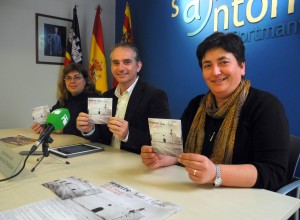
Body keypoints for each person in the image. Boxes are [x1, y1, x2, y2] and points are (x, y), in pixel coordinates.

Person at [141, 32, 290, 191]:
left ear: (242, 66)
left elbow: (273, 173)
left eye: (223, 62)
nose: (215, 72)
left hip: (246, 202)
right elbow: (181, 152)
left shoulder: (265, 106)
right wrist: (162, 158)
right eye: (207, 65)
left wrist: (216, 173)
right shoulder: (196, 105)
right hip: (197, 193)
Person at [76, 42, 170, 154]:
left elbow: (162, 143)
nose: (121, 68)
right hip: (105, 160)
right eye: (116, 63)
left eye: (127, 62)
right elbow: (100, 136)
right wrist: (89, 130)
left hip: (137, 165)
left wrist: (128, 134)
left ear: (138, 66)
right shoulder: (106, 96)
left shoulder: (156, 96)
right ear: (111, 67)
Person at [31, 63, 101, 137]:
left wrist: (63, 129)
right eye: (68, 78)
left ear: (85, 80)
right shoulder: (65, 98)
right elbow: (53, 115)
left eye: (77, 77)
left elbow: (98, 131)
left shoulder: (95, 99)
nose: (72, 81)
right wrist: (43, 125)